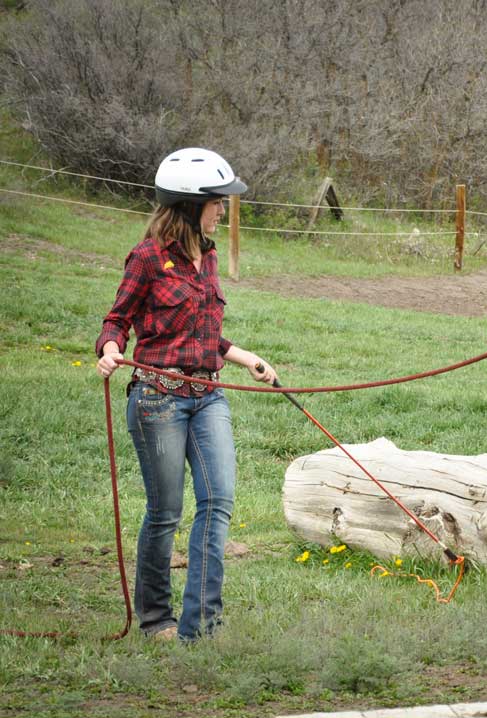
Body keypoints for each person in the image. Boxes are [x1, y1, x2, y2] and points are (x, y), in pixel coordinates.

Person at [95, 148, 277, 642]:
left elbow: (200, 331)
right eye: (218, 201)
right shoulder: (149, 257)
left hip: (208, 396)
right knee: (166, 513)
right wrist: (111, 347)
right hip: (158, 399)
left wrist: (248, 358)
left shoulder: (210, 255)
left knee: (217, 502)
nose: (224, 209)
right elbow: (119, 319)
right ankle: (156, 619)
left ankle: (201, 629)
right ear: (188, 203)